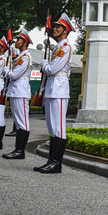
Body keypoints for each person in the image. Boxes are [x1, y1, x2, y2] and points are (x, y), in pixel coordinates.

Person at [35, 13, 74, 174]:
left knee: (59, 127)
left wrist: (44, 64)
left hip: (59, 90)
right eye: (55, 26)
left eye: (58, 27)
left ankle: (56, 163)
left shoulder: (66, 48)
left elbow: (52, 69)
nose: (55, 29)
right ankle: (51, 161)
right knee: (52, 127)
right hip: (52, 89)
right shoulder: (58, 48)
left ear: (65, 31)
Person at [2, 31, 33, 160]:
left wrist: (6, 71)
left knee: (22, 122)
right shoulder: (20, 56)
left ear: (24, 43)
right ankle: (17, 149)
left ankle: (20, 151)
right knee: (18, 121)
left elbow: (14, 75)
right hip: (15, 90)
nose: (16, 42)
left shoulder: (26, 57)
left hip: (21, 90)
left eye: (19, 40)